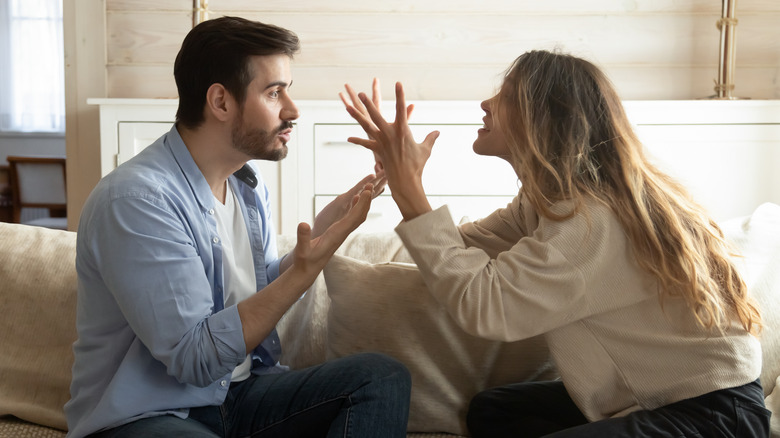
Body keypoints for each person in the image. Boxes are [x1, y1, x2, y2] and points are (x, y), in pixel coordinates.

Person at [341, 50, 770, 437]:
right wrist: (400, 185)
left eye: (504, 96)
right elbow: (456, 250)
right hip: (653, 397)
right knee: (493, 413)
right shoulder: (550, 203)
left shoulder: (592, 222)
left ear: (543, 117)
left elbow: (488, 306)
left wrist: (410, 189)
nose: (486, 104)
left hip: (714, 414)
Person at [65, 16, 411, 438]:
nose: (292, 110)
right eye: (274, 92)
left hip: (239, 394)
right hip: (155, 415)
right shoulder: (137, 201)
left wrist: (319, 240)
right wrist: (304, 272)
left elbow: (260, 294)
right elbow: (196, 360)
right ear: (221, 102)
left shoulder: (247, 186)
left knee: (381, 378)